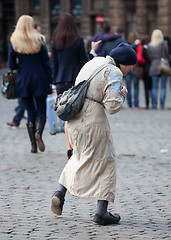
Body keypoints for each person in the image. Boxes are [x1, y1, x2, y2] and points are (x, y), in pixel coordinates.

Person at [51, 42, 137, 226]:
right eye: (130, 68)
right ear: (124, 63)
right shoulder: (114, 72)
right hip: (92, 121)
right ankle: (101, 213)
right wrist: (122, 94)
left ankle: (59, 193)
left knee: (78, 155)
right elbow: (113, 106)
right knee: (107, 161)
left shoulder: (94, 62)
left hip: (74, 119)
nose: (129, 72)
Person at [51, 12, 100, 159]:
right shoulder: (78, 41)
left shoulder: (55, 42)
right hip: (76, 83)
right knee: (78, 116)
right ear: (73, 25)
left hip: (60, 82)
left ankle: (69, 147)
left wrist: (53, 84)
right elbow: (85, 63)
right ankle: (78, 146)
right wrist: (93, 51)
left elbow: (54, 64)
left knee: (67, 118)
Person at [8, 15, 52, 153]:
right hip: (40, 78)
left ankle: (33, 145)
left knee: (30, 112)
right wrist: (51, 79)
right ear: (32, 25)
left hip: (23, 79)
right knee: (41, 111)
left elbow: (11, 64)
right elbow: (46, 62)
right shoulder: (40, 39)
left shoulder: (14, 41)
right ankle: (39, 132)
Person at [147, 29, 170, 109]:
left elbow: (149, 57)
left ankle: (154, 104)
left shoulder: (150, 45)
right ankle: (162, 104)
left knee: (154, 87)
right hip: (164, 66)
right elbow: (167, 55)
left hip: (154, 66)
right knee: (163, 87)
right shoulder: (164, 43)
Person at [125, 32, 145, 108]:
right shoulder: (139, 47)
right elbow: (139, 58)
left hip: (127, 67)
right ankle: (136, 104)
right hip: (135, 67)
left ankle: (129, 104)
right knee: (136, 87)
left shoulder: (126, 46)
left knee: (128, 86)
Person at [142, 35, 152, 109]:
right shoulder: (152, 48)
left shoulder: (142, 49)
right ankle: (154, 103)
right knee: (152, 87)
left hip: (145, 69)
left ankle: (147, 104)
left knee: (146, 88)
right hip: (152, 69)